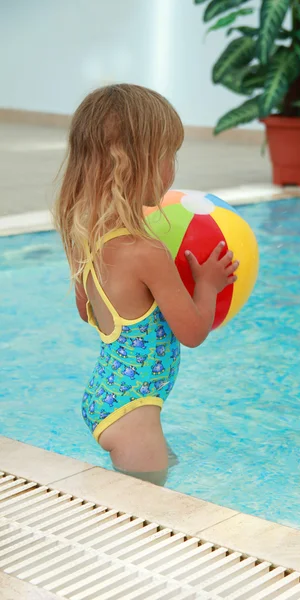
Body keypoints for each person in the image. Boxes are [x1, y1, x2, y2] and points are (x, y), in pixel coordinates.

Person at [54, 84, 239, 485]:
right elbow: (191, 333)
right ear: (139, 163)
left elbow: (86, 311)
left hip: (108, 396)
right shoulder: (146, 251)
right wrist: (207, 284)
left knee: (160, 476)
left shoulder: (87, 235)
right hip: (135, 413)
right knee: (151, 514)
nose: (173, 166)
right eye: (169, 155)